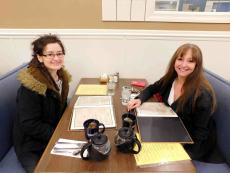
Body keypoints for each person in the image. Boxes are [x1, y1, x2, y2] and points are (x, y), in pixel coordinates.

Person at [127, 43, 224, 163]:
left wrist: (185, 158)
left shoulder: (202, 95)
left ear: (197, 65)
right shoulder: (172, 78)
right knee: (133, 144)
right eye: (180, 59)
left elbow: (200, 134)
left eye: (190, 61)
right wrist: (140, 98)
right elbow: (152, 88)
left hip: (191, 143)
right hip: (171, 131)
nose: (183, 65)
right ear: (174, 61)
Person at [13, 34, 71, 173]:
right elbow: (29, 124)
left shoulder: (61, 77)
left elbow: (60, 107)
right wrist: (58, 134)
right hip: (32, 145)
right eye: (50, 54)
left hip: (51, 135)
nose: (56, 58)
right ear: (39, 57)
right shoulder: (31, 86)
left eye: (59, 53)